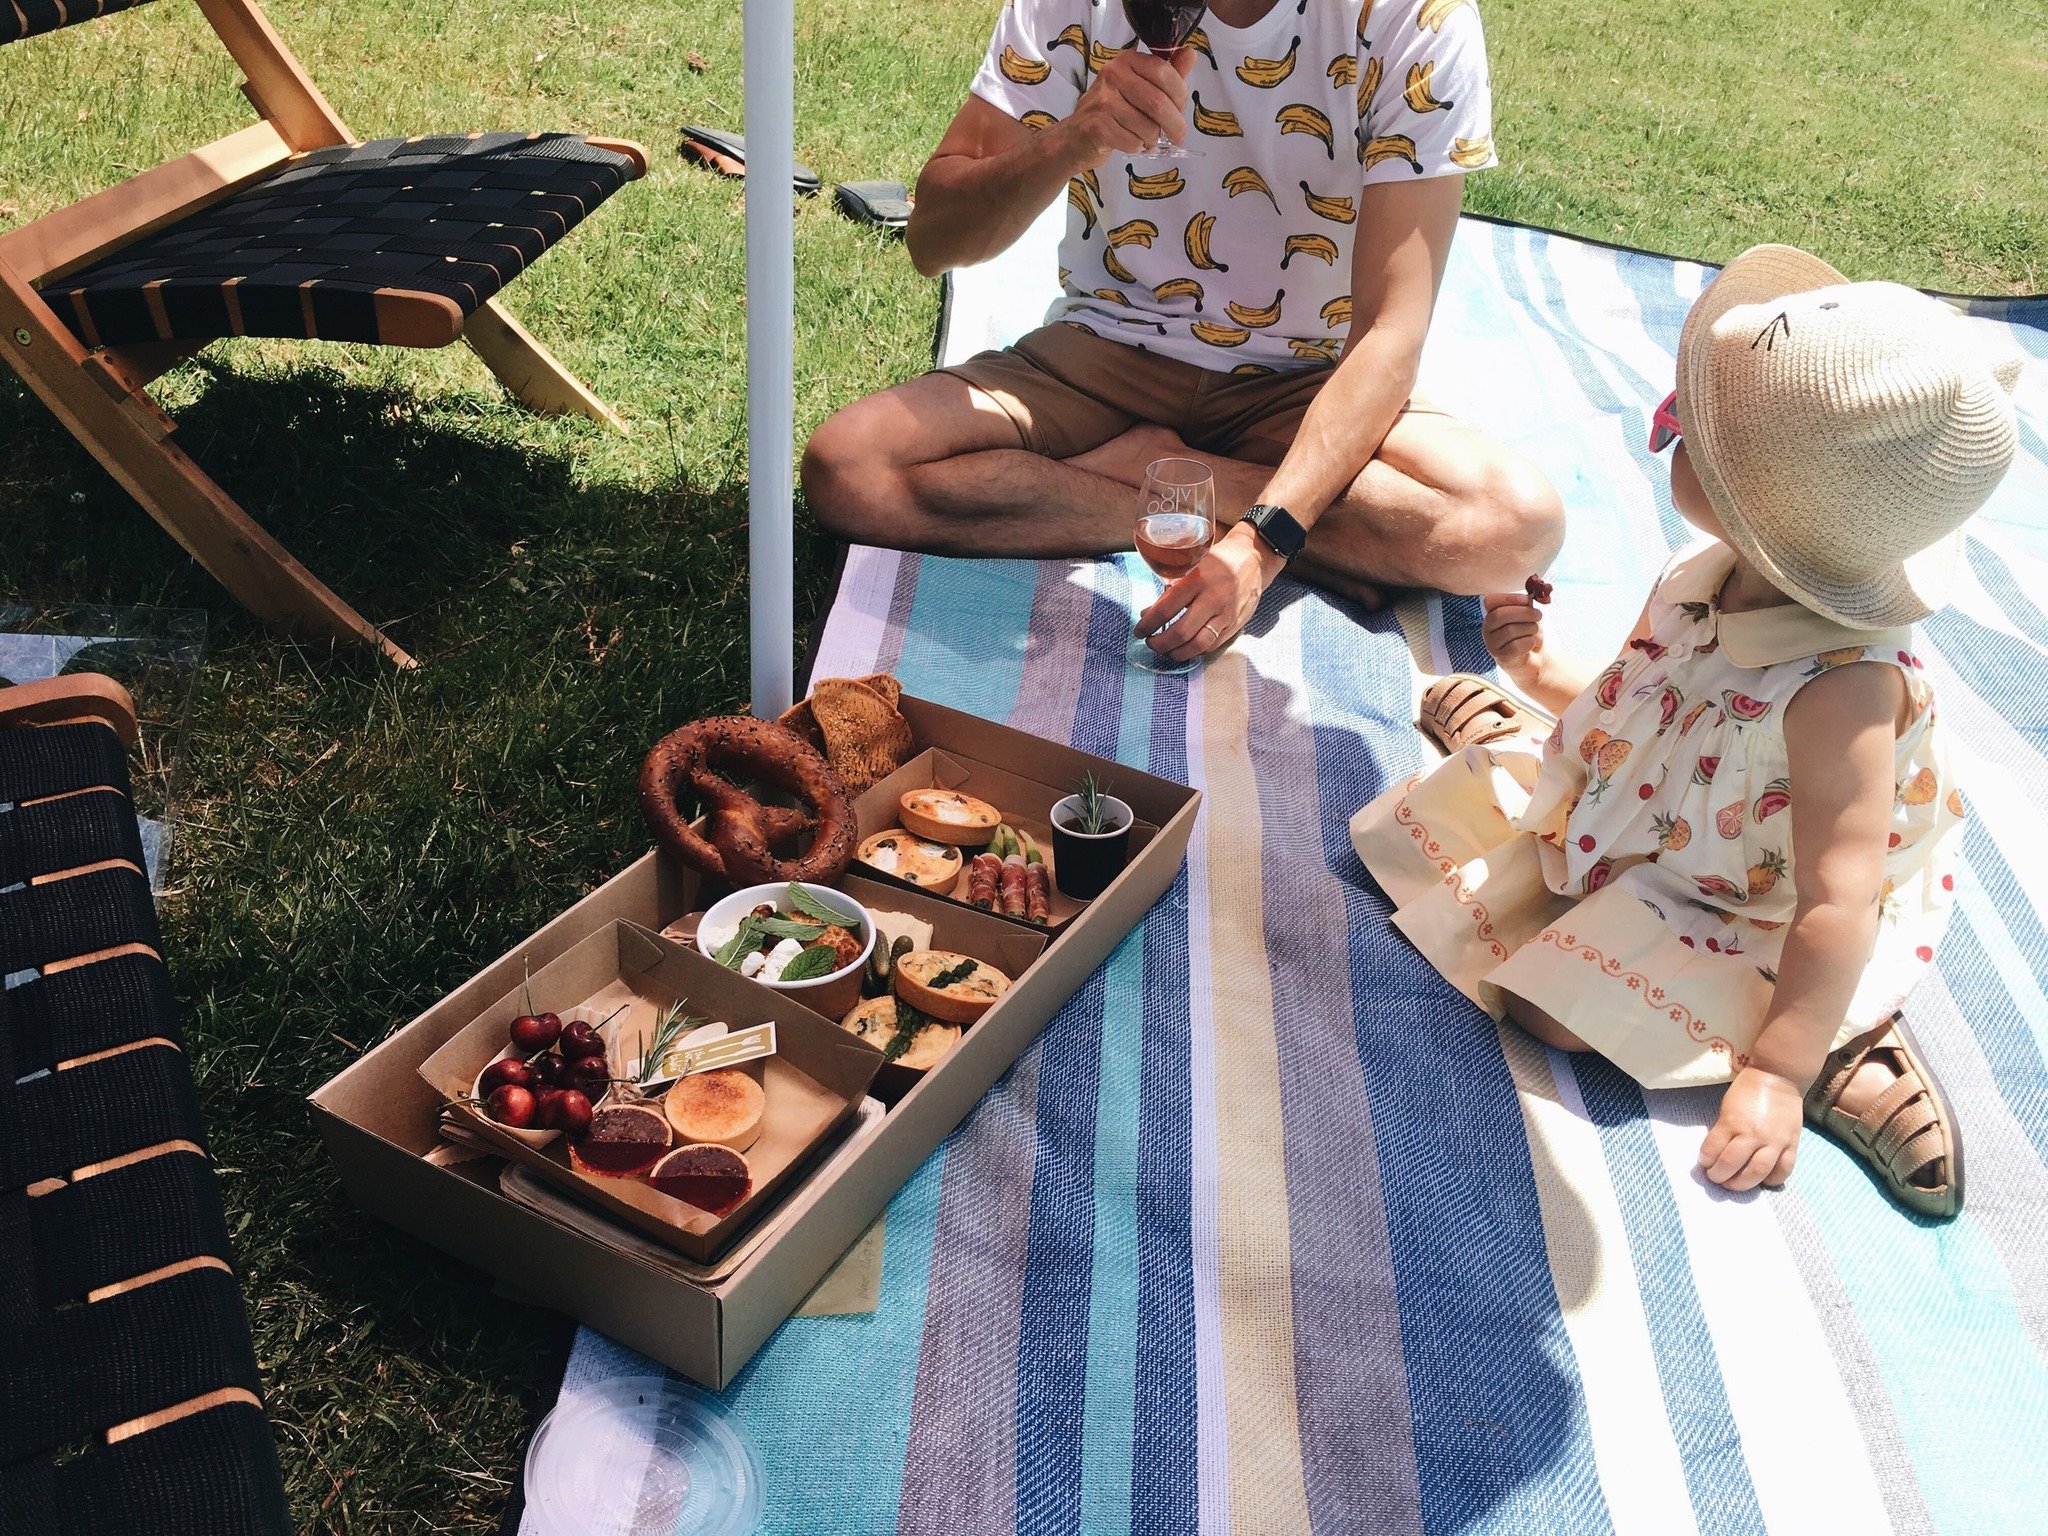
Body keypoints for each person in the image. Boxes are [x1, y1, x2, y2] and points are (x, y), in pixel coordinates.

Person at [1350, 245, 2024, 1217]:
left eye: (1698, 435)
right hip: (1655, 810)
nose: (1671, 426)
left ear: (1771, 519)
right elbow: (1651, 700)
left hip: (1752, 898)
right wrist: (1539, 670)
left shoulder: (1842, 693)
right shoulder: (1703, 574)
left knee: (1553, 1012)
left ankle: (1835, 1040)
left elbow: (1836, 901)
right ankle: (1514, 742)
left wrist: (1776, 1075)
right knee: (1431, 864)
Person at [802, 0, 1564, 666]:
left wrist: (1261, 548)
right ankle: (1214, 502)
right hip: (1105, 349)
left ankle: (1158, 471)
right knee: (852, 467)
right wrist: (1070, 141)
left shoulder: (1413, 20)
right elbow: (934, 240)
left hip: (1305, 382)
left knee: (1512, 527)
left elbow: (1389, 335)